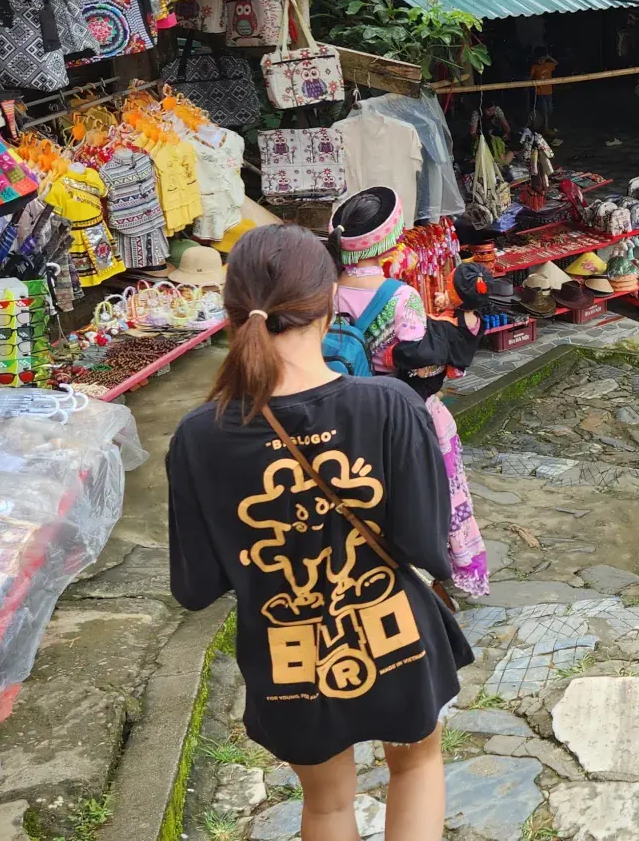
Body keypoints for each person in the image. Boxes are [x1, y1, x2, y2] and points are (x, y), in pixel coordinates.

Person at [165, 223, 472, 841]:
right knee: (416, 766)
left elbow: (196, 587)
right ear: (330, 303)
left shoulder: (198, 437)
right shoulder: (389, 405)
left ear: (230, 311)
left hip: (289, 656)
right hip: (395, 635)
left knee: (328, 806)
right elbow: (424, 547)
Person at [329, 187, 489, 598]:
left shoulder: (323, 293)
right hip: (405, 411)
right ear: (387, 240)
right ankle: (452, 570)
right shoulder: (402, 297)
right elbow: (418, 360)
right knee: (441, 490)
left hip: (344, 410)